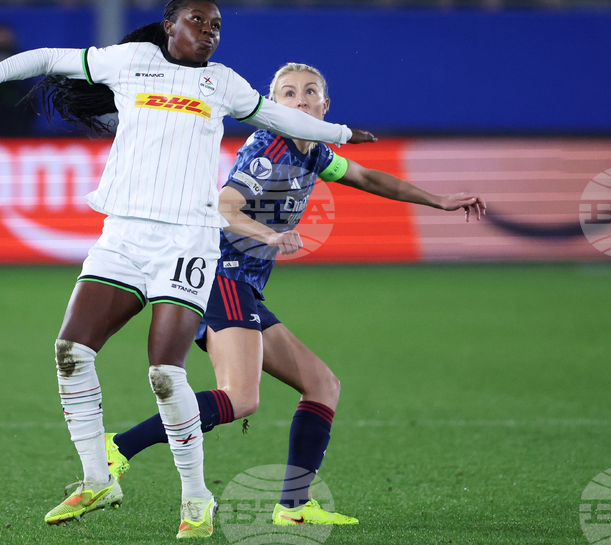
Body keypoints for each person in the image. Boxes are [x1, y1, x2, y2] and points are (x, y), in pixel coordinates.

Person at [0, 0, 376, 538]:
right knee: (69, 352)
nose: (210, 30)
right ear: (170, 25)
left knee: (165, 375)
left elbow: (276, 114)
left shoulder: (223, 83)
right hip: (122, 235)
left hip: (188, 242)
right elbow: (51, 57)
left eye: (217, 23)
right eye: (198, 20)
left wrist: (340, 134)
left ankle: (196, 501)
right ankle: (98, 478)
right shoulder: (130, 63)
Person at [103, 62, 486, 526]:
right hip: (217, 274)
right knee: (241, 398)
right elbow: (223, 207)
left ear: (326, 107)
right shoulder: (270, 148)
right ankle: (119, 447)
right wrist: (266, 235)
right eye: (287, 94)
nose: (300, 100)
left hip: (241, 283)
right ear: (272, 107)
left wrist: (440, 201)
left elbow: (367, 178)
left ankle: (294, 506)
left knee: (322, 385)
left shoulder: (315, 152)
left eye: (309, 93)